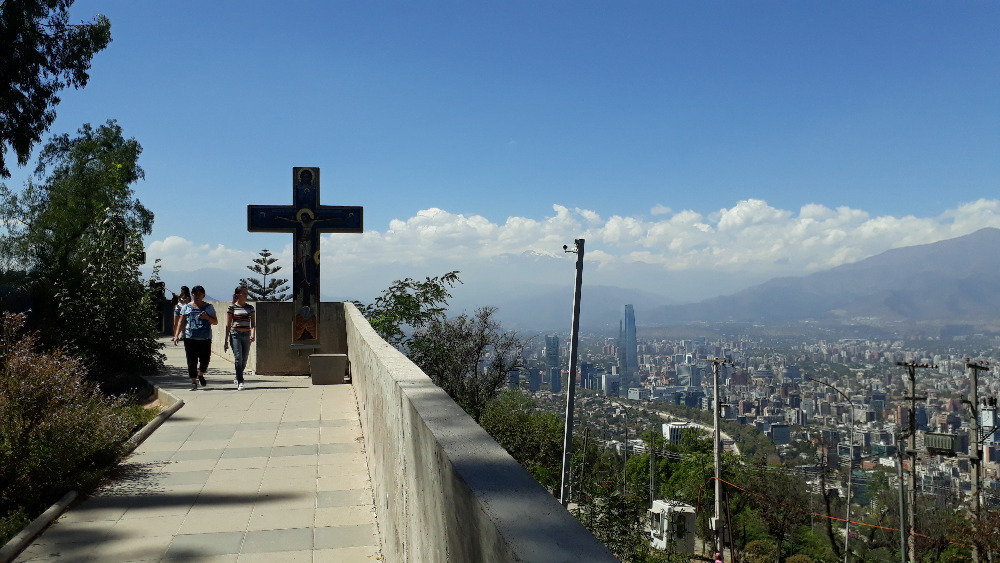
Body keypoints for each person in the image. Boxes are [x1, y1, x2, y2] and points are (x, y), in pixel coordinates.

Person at [173, 285, 218, 390]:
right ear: (192, 294)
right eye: (195, 293)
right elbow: (181, 321)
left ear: (203, 295)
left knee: (205, 360)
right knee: (191, 361)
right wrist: (176, 335)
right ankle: (194, 382)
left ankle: (201, 374)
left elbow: (215, 321)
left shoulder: (209, 307)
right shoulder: (186, 307)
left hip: (205, 338)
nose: (197, 295)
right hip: (190, 338)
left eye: (200, 293)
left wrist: (206, 317)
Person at [223, 285, 255, 390]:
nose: (246, 295)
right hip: (235, 334)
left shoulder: (250, 308)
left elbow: (253, 323)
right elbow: (228, 324)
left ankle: (237, 376)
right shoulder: (232, 308)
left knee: (244, 359)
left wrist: (252, 334)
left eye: (247, 293)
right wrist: (226, 340)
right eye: (244, 293)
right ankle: (241, 381)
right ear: (238, 295)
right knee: (238, 357)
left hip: (246, 334)